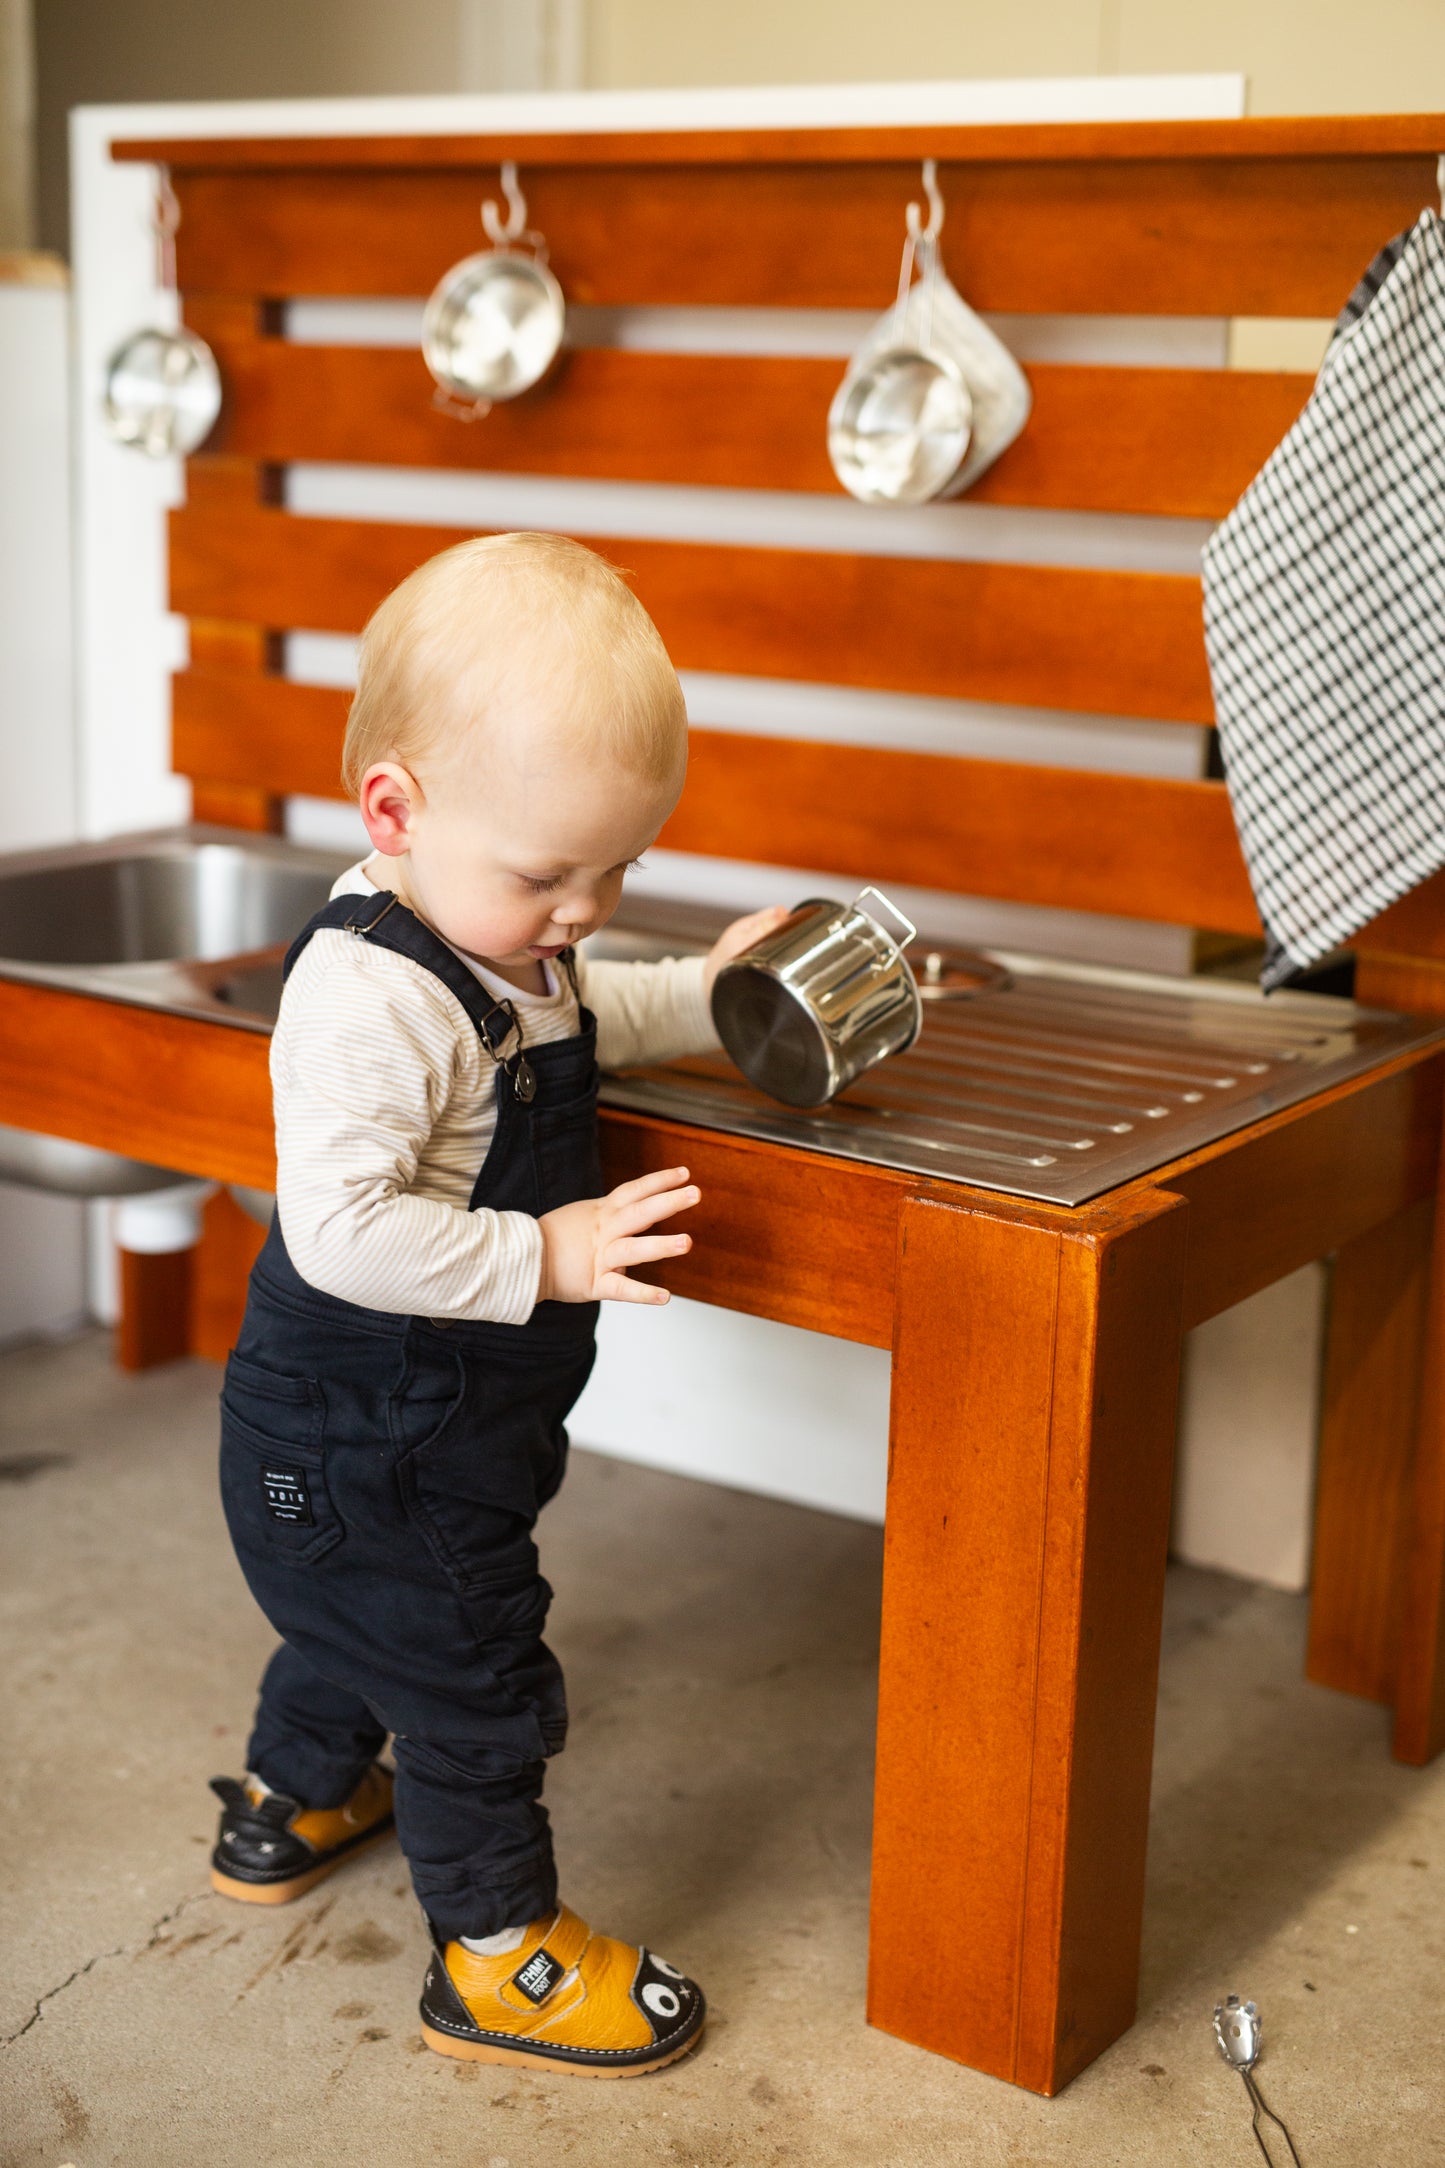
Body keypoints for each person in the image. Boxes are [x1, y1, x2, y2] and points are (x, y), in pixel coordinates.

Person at [207, 531, 786, 2076]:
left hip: (413, 1438)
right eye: (549, 874)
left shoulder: (513, 935)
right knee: (469, 1671)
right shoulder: (371, 995)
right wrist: (552, 1252)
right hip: (362, 1428)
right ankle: (498, 1957)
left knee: (357, 1617)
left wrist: (717, 992)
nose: (583, 910)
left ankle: (294, 1799)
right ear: (393, 809)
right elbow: (339, 1232)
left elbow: (601, 1007)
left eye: (621, 871)